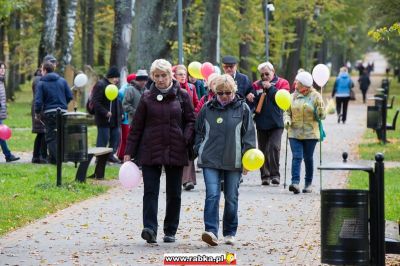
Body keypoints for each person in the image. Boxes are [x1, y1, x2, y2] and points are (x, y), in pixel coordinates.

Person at [124, 59, 195, 244]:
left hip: (175, 148)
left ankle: (170, 230)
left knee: (174, 193)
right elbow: (136, 127)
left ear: (170, 76)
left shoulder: (183, 96)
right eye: (157, 76)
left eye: (164, 75)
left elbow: (191, 120)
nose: (161, 79)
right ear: (152, 77)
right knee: (150, 191)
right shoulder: (146, 97)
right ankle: (149, 228)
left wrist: (185, 137)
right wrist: (128, 151)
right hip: (150, 149)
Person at [195, 74, 256, 246]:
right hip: (210, 159)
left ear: (234, 91)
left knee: (231, 197)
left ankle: (229, 232)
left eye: (227, 93)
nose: (223, 96)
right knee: (212, 194)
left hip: (234, 159)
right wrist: (199, 148)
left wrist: (247, 160)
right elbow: (198, 131)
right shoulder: (207, 108)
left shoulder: (243, 109)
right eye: (220, 93)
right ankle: (211, 231)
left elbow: (249, 136)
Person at [284, 71, 325, 194]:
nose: (295, 83)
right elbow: (287, 112)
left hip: (310, 133)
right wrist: (287, 120)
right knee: (296, 157)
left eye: (297, 82)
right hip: (294, 132)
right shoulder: (292, 96)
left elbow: (322, 116)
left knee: (308, 158)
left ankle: (308, 184)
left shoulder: (316, 96)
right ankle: (295, 183)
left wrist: (321, 110)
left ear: (303, 85)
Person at [252, 62, 289, 186]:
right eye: (262, 75)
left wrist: (270, 88)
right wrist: (251, 97)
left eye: (267, 74)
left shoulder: (282, 83)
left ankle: (275, 175)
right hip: (261, 122)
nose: (264, 77)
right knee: (262, 150)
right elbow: (254, 103)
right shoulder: (256, 85)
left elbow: (281, 99)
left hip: (276, 122)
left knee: (273, 147)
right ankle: (265, 176)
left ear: (273, 72)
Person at [34, 62, 72, 164]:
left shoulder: (41, 83)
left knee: (50, 137)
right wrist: (63, 104)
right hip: (63, 112)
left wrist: (37, 113)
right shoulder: (62, 81)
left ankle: (57, 160)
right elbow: (69, 96)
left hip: (50, 112)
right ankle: (55, 158)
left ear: (45, 70)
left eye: (42, 70)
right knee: (61, 135)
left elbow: (38, 101)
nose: (41, 72)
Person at [173, 65, 198, 191]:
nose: (183, 76)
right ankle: (181, 179)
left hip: (189, 122)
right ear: (174, 76)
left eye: (185, 74)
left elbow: (196, 103)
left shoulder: (192, 88)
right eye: (180, 74)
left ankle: (188, 180)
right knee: (178, 150)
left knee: (189, 150)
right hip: (176, 123)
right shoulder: (172, 89)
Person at [92, 66, 122, 163]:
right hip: (104, 119)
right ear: (112, 76)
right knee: (103, 139)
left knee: (116, 137)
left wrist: (120, 113)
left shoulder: (114, 86)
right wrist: (105, 112)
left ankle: (110, 156)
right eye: (116, 77)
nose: (117, 79)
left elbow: (117, 101)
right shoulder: (100, 85)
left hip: (115, 119)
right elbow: (95, 102)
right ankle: (99, 158)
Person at [0, 61, 20, 162]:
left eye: (4, 68)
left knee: (1, 135)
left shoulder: (1, 81)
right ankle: (8, 155)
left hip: (1, 112)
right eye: (1, 68)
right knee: (1, 135)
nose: (2, 70)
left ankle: (8, 155)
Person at [116, 73, 136, 160]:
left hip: (130, 117)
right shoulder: (124, 90)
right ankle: (121, 155)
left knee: (128, 138)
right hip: (125, 118)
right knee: (125, 138)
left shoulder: (131, 88)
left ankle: (127, 154)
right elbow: (122, 104)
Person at [31, 67, 48, 164]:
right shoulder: (39, 80)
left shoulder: (39, 79)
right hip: (40, 109)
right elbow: (39, 97)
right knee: (43, 133)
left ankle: (36, 156)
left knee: (41, 133)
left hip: (39, 108)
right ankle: (40, 156)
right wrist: (39, 112)